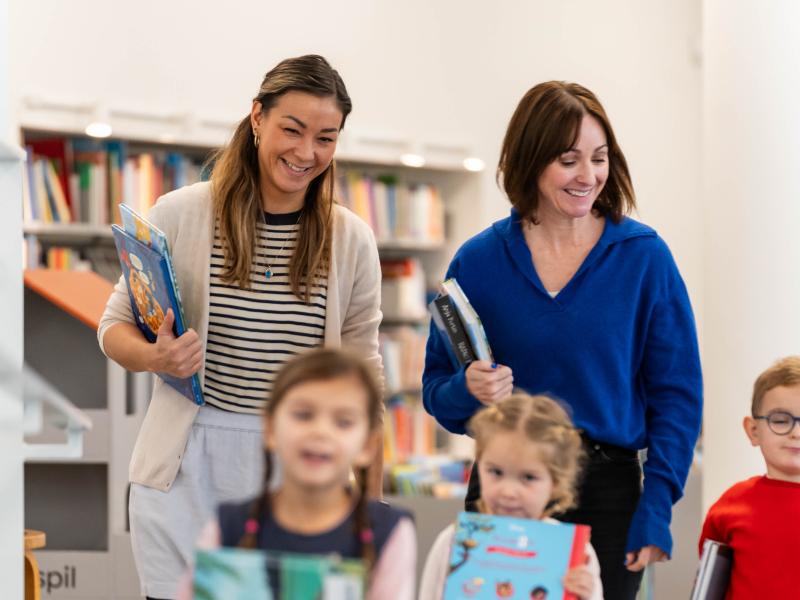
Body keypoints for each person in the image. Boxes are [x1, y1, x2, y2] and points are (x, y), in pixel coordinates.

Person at [97, 55, 383, 599]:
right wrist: (156, 358)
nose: (306, 153)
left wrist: (370, 499)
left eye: (326, 138)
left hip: (302, 470)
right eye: (292, 130)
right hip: (186, 465)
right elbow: (113, 328)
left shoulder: (350, 239)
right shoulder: (180, 214)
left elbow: (365, 377)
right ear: (257, 118)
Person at [422, 81, 702, 599]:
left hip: (611, 497)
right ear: (531, 160)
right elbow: (437, 390)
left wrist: (657, 506)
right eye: (569, 160)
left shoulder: (644, 258)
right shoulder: (479, 261)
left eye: (599, 158)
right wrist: (469, 391)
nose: (589, 176)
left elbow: (677, 397)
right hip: (504, 489)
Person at [178, 349, 416, 600]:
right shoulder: (227, 527)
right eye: (303, 415)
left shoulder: (389, 533)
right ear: (270, 429)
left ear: (368, 445)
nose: (321, 431)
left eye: (343, 422)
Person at [419, 393, 602, 600]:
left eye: (528, 477)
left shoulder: (575, 553)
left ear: (556, 483)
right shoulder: (453, 542)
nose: (508, 491)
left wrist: (587, 595)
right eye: (496, 472)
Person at [699, 356, 800, 598]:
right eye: (780, 420)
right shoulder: (731, 505)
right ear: (754, 430)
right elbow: (710, 587)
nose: (796, 433)